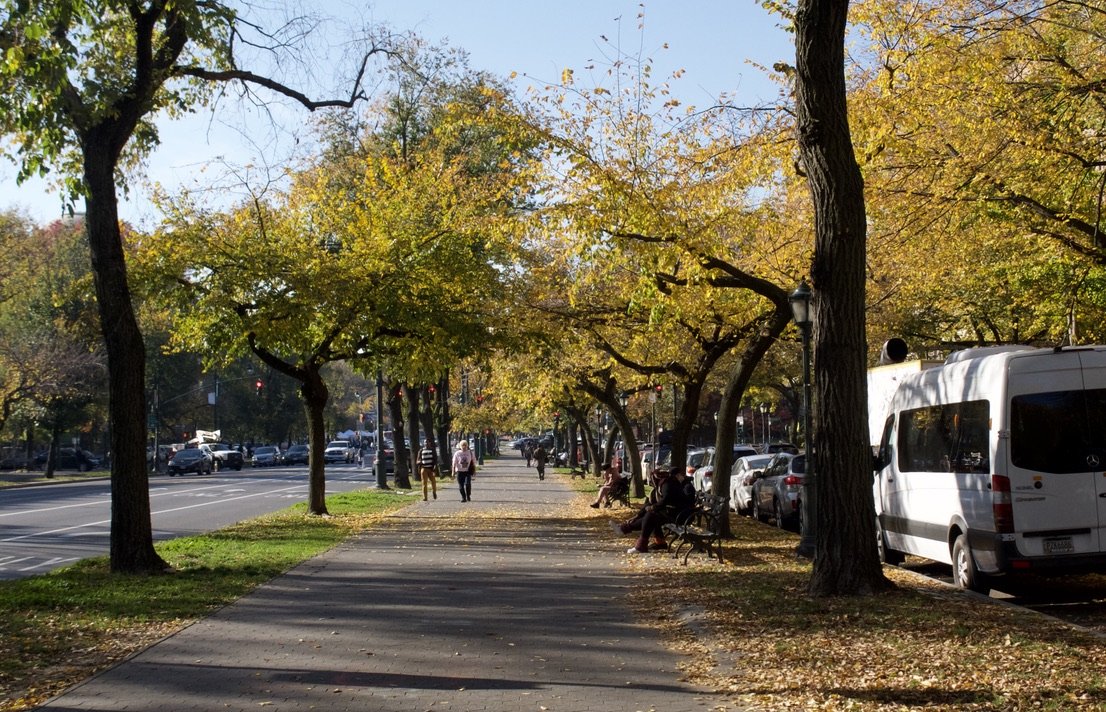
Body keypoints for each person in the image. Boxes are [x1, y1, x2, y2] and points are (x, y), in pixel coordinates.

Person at [611, 467, 695, 553]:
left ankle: (640, 545)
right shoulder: (665, 484)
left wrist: (653, 508)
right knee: (651, 515)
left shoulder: (672, 485)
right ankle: (625, 529)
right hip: (675, 513)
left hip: (682, 516)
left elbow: (668, 500)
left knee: (651, 516)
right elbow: (651, 503)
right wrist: (638, 515)